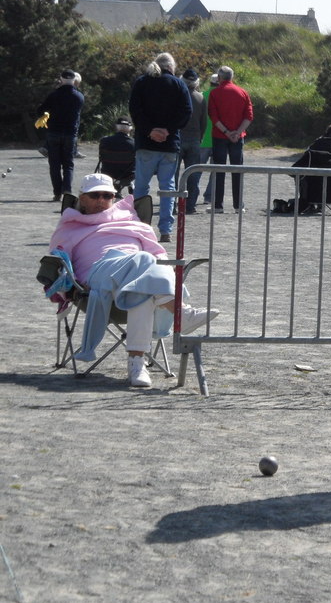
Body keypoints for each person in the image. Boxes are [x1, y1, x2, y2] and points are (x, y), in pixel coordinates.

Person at [48, 173, 218, 387]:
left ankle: (137, 364)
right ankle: (180, 312)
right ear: (82, 198)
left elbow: (159, 255)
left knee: (142, 287)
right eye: (94, 195)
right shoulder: (71, 226)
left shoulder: (131, 220)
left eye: (107, 196)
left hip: (134, 280)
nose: (101, 200)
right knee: (144, 261)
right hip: (96, 275)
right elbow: (57, 259)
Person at [129, 52, 193, 243]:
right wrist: (167, 129)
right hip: (169, 144)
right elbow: (186, 112)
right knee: (168, 188)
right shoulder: (179, 84)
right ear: (172, 67)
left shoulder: (141, 82)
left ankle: (139, 226)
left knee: (141, 186)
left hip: (145, 143)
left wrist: (150, 130)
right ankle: (166, 230)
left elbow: (135, 110)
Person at [207, 65, 254, 214]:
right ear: (232, 77)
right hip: (238, 137)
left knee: (219, 170)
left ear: (219, 78)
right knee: (237, 170)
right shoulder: (243, 92)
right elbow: (249, 116)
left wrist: (227, 132)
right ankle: (238, 205)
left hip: (220, 136)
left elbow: (214, 117)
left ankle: (218, 205)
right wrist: (237, 133)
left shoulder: (215, 93)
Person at [38, 69, 85, 201]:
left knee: (54, 164)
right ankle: (67, 190)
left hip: (53, 132)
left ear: (61, 79)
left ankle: (57, 193)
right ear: (74, 80)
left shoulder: (54, 95)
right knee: (68, 164)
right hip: (70, 133)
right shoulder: (79, 96)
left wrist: (47, 114)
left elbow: (40, 110)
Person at [178, 69, 205, 214]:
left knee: (173, 175)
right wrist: (199, 137)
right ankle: (190, 206)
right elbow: (204, 122)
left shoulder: (177, 96)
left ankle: (173, 204)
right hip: (194, 139)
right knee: (193, 174)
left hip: (178, 138)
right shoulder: (200, 98)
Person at [96, 116, 136, 193]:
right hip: (128, 176)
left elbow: (101, 157)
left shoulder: (104, 141)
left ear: (116, 127)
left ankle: (119, 185)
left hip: (108, 174)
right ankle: (129, 184)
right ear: (130, 128)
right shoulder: (134, 143)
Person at [199, 73, 219, 206]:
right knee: (215, 172)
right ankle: (209, 196)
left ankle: (189, 194)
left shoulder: (202, 96)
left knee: (195, 170)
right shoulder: (222, 96)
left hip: (202, 139)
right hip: (218, 138)